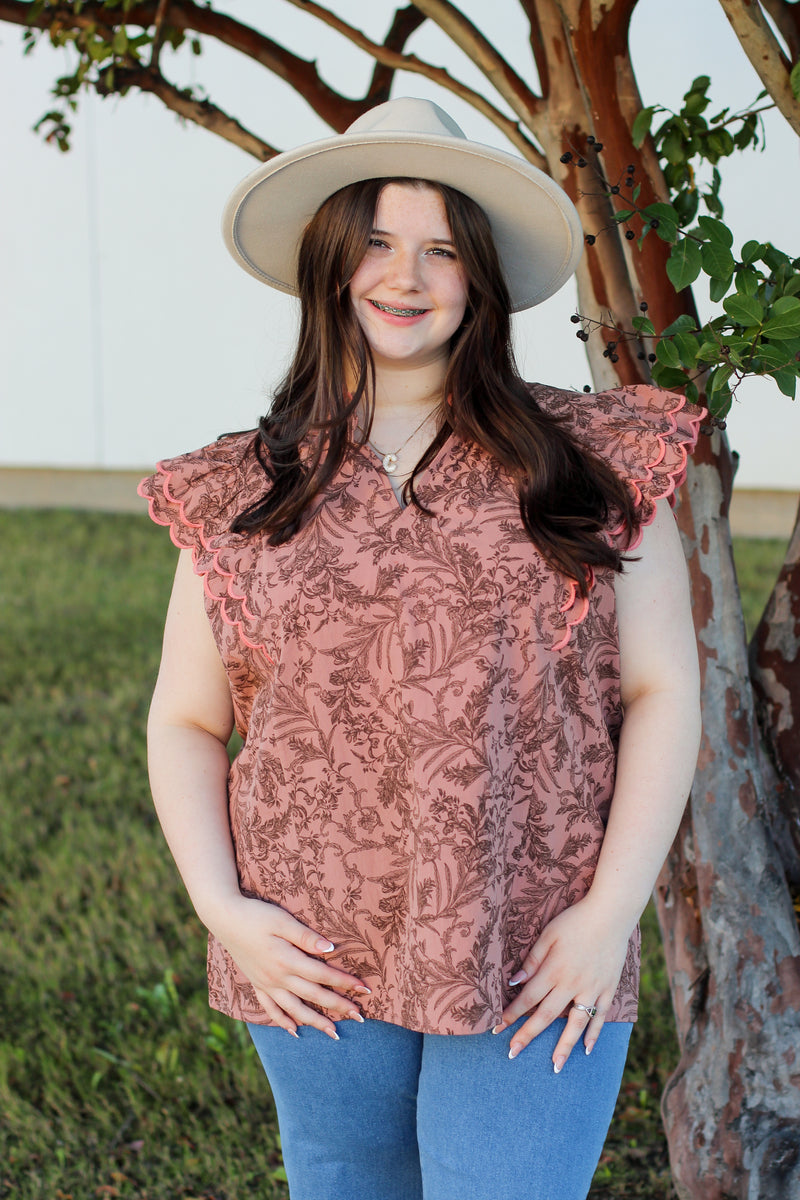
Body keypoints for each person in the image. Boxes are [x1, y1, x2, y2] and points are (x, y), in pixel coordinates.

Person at [139, 97, 703, 1200]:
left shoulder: (593, 463)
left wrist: (606, 918)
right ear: (330, 265)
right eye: (379, 244)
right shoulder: (244, 490)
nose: (407, 277)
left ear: (478, 279)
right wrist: (224, 909)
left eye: (442, 248)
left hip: (535, 934)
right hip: (310, 948)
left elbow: (661, 693)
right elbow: (186, 718)